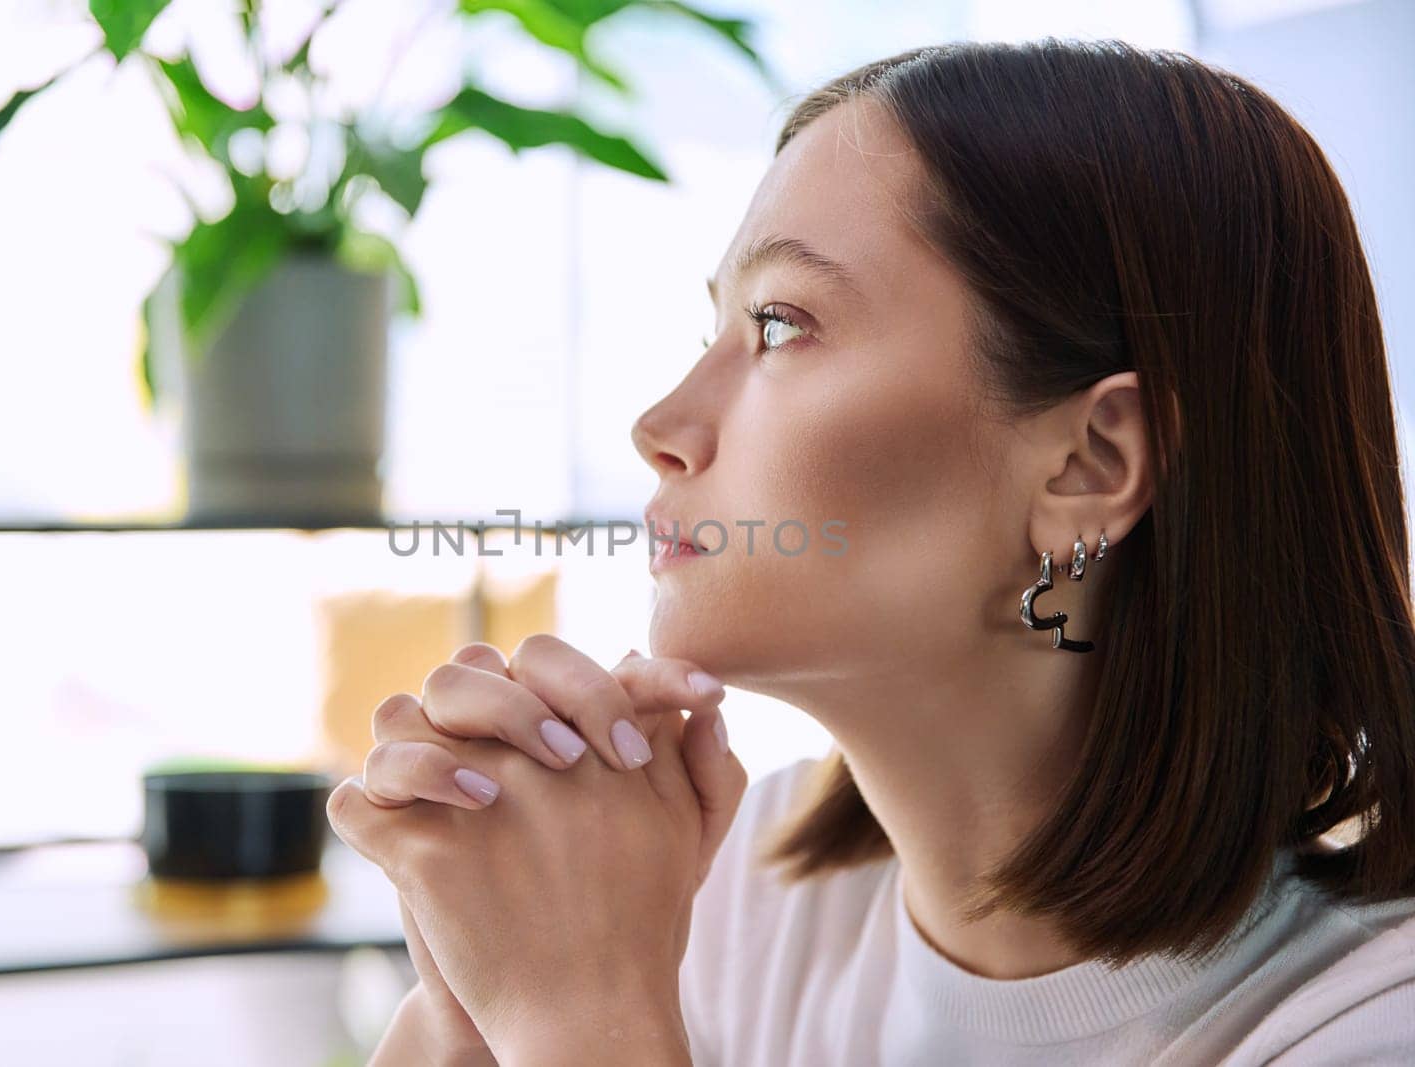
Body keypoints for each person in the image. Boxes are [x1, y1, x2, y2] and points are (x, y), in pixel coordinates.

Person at [328, 37, 1415, 1065]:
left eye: (780, 324)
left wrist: (582, 1016)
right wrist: (472, 1005)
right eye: (710, 330)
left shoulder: (1368, 1020)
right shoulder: (718, 894)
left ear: (1088, 463)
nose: (659, 424)